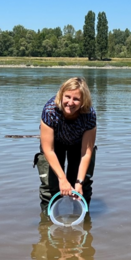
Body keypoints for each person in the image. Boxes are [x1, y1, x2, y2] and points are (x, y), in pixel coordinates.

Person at [34, 77, 97, 214]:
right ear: (61, 95)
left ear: (83, 102)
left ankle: (81, 218)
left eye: (76, 99)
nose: (70, 102)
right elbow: (48, 149)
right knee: (51, 186)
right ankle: (47, 225)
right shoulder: (50, 110)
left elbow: (86, 153)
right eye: (67, 97)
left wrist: (79, 183)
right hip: (54, 145)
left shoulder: (89, 115)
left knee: (82, 186)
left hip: (78, 144)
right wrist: (62, 179)